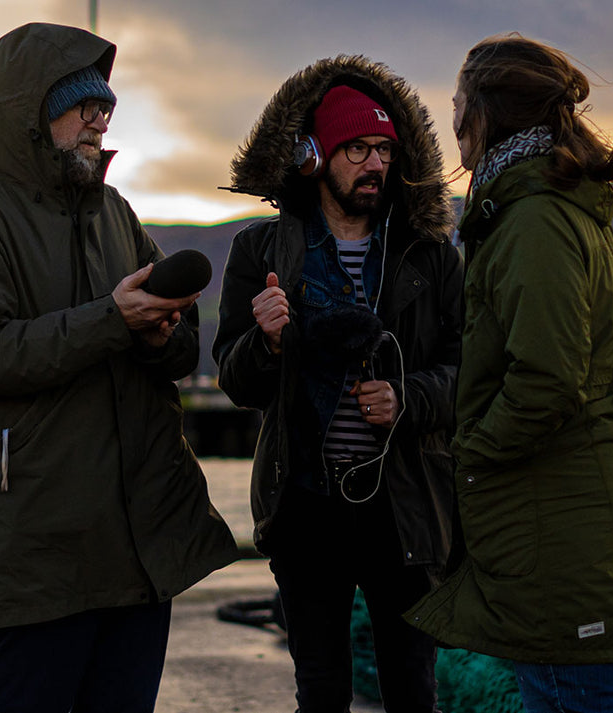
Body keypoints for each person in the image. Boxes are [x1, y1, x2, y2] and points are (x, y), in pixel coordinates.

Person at [0, 22, 239, 713]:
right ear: (24, 115)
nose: (100, 118)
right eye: (82, 103)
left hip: (137, 539)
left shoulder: (113, 211)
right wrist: (113, 321)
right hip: (40, 540)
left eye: (106, 106)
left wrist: (158, 333)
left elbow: (179, 354)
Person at [403, 34, 613, 713]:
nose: (451, 121)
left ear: (486, 112)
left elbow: (547, 380)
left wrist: (470, 452)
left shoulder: (534, 219)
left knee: (571, 692)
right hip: (578, 519)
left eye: (457, 103)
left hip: (562, 532)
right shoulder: (546, 204)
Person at [214, 57, 463, 713]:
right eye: (357, 148)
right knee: (320, 692)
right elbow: (234, 380)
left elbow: (469, 369)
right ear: (314, 155)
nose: (375, 163)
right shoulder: (260, 253)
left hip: (404, 501)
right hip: (306, 504)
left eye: (384, 149)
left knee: (413, 688)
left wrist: (409, 399)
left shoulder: (431, 254)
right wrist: (265, 340)